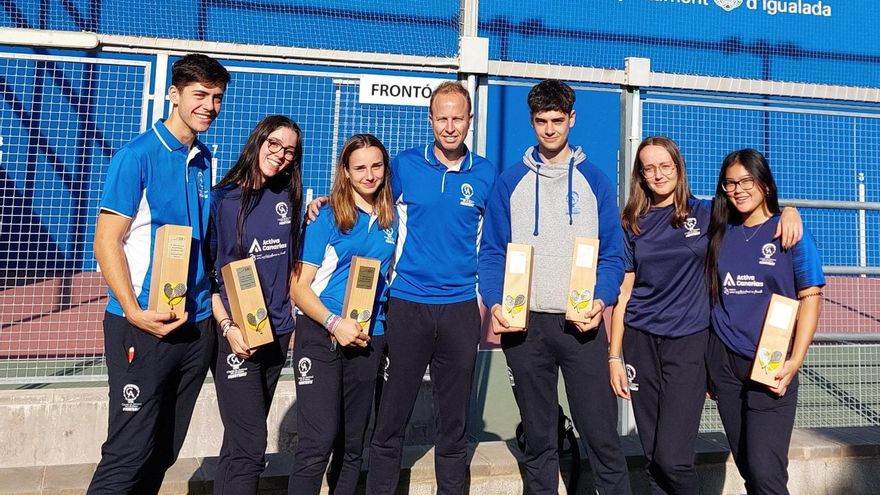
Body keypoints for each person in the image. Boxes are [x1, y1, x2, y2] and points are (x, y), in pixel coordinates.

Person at [608, 137, 802, 495]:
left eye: (665, 165)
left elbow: (754, 209)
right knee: (652, 457)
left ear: (679, 169)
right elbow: (624, 292)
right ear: (640, 174)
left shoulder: (707, 212)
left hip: (690, 341)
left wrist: (789, 210)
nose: (657, 174)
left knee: (673, 458)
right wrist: (614, 354)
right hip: (640, 341)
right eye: (649, 167)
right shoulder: (631, 222)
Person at [478, 79, 631, 495]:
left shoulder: (595, 182)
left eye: (557, 121)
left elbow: (613, 255)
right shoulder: (510, 183)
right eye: (541, 121)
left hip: (581, 327)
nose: (549, 130)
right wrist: (495, 304)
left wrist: (600, 299)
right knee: (540, 441)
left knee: (602, 437)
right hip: (525, 329)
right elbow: (492, 253)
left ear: (572, 119)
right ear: (532, 121)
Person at [88, 54, 229, 494]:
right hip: (143, 327)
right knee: (129, 447)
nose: (209, 105)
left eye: (217, 98)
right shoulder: (136, 156)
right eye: (200, 95)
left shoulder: (203, 158)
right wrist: (133, 311)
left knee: (164, 447)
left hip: (195, 324)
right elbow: (107, 240)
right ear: (174, 94)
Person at [365, 81, 497, 495]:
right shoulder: (404, 166)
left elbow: (496, 243)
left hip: (459, 310)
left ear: (470, 120)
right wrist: (325, 205)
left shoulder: (486, 173)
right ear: (430, 120)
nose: (450, 126)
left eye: (458, 118)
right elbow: (366, 200)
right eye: (442, 118)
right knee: (390, 420)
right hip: (406, 306)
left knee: (453, 424)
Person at [705, 148, 823, 495]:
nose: (738, 189)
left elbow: (811, 297)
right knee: (748, 468)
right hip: (723, 360)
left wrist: (795, 361)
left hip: (771, 361)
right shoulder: (719, 232)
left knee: (766, 471)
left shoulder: (789, 233)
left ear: (765, 185)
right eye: (730, 183)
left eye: (746, 181)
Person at [289, 134, 396, 495]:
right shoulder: (327, 215)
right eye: (360, 167)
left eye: (376, 166)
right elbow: (299, 287)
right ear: (346, 173)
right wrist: (334, 323)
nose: (370, 174)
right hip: (323, 335)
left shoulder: (392, 218)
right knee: (317, 443)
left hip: (369, 335)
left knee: (352, 447)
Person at [209, 115, 303, 495]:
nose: (280, 155)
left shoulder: (289, 199)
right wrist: (228, 327)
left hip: (277, 334)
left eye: (290, 151)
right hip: (236, 338)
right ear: (258, 141)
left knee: (236, 445)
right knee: (251, 445)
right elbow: (206, 277)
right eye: (274, 144)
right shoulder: (222, 199)